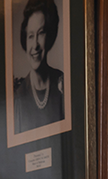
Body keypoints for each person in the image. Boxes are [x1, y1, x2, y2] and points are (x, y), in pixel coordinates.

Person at [13, 0, 64, 133]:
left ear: (50, 35)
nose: (35, 45)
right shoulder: (17, 95)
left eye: (41, 33)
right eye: (30, 36)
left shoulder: (63, 86)